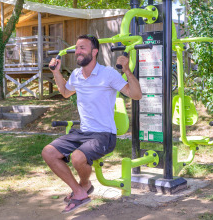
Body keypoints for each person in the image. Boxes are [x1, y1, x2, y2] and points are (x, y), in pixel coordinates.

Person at [41, 34, 142, 213]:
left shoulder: (108, 73)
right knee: (48, 152)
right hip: (83, 132)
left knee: (78, 157)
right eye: (77, 48)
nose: (77, 51)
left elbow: (136, 95)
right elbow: (65, 92)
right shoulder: (76, 75)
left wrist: (127, 70)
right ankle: (80, 190)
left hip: (104, 134)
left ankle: (83, 187)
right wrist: (56, 72)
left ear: (94, 52)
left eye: (82, 48)